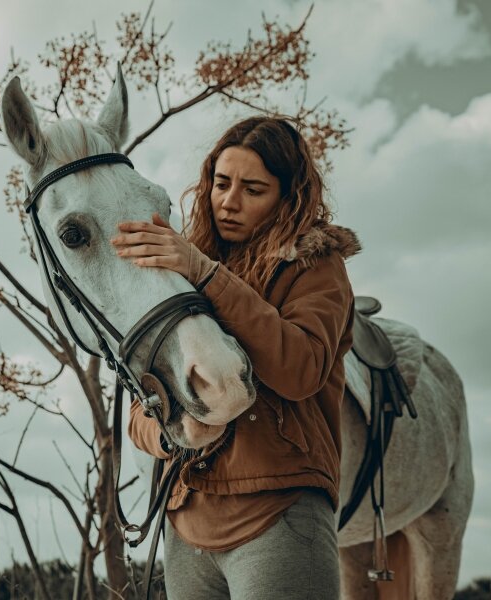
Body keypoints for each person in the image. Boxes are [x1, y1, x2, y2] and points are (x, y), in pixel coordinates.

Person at [109, 116, 361, 599]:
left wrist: (207, 274)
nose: (228, 201)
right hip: (186, 520)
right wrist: (169, 430)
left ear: (289, 197)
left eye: (253, 189)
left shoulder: (316, 265)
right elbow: (142, 404)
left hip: (278, 508)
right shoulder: (182, 269)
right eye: (221, 183)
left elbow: (301, 369)